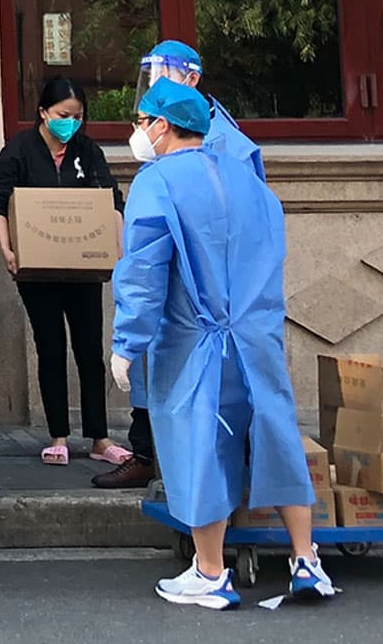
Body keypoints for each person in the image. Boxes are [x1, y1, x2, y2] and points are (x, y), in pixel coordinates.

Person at [109, 83, 334, 609]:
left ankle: (210, 571)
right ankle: (307, 559)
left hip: (195, 340)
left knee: (199, 445)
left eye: (142, 120)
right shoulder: (249, 180)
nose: (138, 131)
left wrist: (127, 344)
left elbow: (145, 270)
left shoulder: (156, 182)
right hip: (256, 336)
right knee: (278, 436)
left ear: (162, 125)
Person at [95, 39, 264, 491]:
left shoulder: (224, 151)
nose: (147, 120)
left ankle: (212, 536)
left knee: (211, 425)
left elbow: (151, 262)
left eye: (153, 116)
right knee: (171, 401)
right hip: (195, 308)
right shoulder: (164, 168)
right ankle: (152, 457)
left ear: (191, 80)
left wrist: (127, 340)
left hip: (207, 307)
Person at [0, 77, 128, 468]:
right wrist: (7, 249)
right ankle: (58, 436)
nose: (71, 123)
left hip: (83, 269)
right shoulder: (18, 151)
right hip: (38, 273)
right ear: (43, 113)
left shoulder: (87, 151)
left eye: (78, 116)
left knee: (89, 350)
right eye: (64, 116)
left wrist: (116, 249)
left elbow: (111, 199)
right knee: (50, 348)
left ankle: (99, 438)